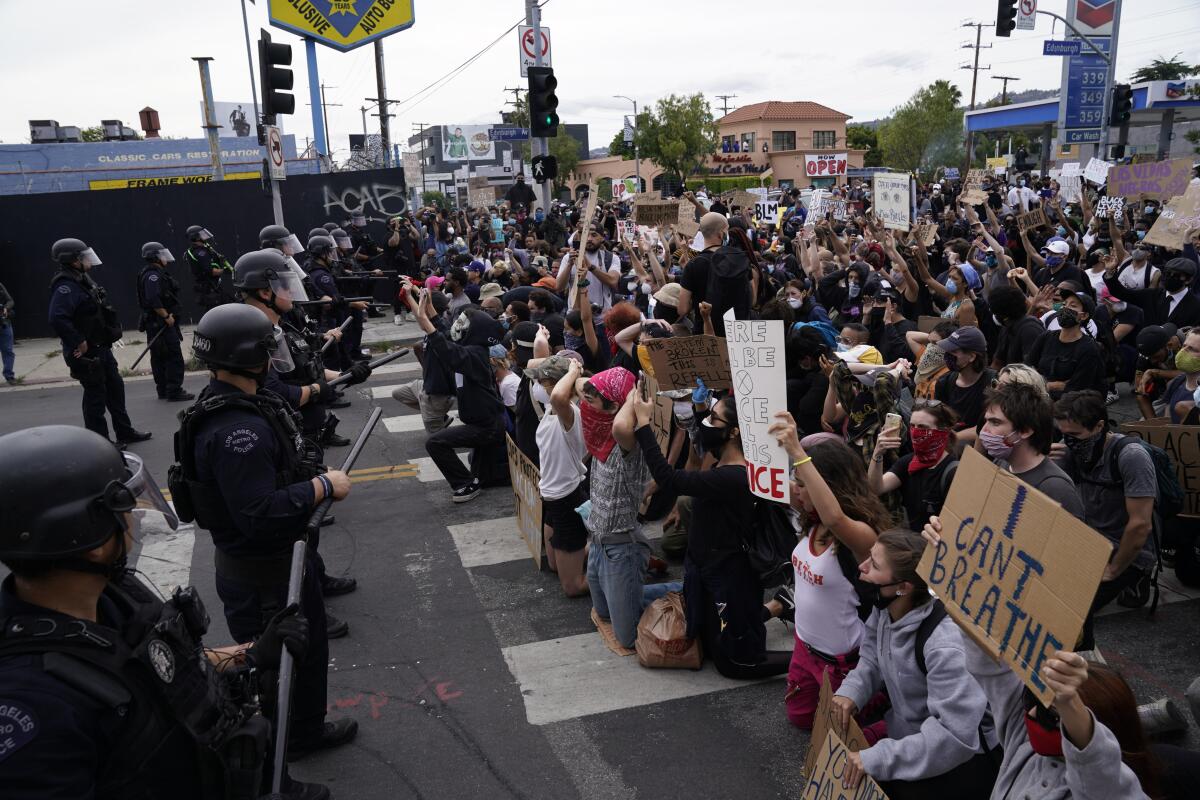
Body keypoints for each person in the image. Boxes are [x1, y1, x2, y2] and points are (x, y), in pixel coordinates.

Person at [0, 425, 326, 800]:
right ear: (89, 537)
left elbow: (155, 666)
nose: (132, 520)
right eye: (123, 510)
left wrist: (249, 653)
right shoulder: (32, 706)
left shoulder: (114, 597)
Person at [174, 303, 357, 760]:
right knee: (276, 672)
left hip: (283, 562)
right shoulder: (239, 429)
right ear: (250, 357)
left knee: (308, 655)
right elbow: (256, 510)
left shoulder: (241, 404)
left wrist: (307, 474)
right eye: (266, 351)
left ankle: (305, 733)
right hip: (262, 576)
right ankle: (280, 763)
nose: (272, 359)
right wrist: (320, 487)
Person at [922, 520, 1157, 800]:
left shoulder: (1104, 787)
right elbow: (989, 667)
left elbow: (1105, 782)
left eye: (1052, 714)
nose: (1030, 715)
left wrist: (1068, 702)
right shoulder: (1023, 739)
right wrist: (953, 565)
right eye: (1033, 700)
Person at [832, 530, 998, 799]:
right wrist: (851, 691)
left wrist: (878, 759)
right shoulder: (887, 606)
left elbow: (954, 738)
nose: (861, 567)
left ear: (903, 586)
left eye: (874, 565)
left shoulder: (944, 645)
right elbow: (873, 654)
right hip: (911, 742)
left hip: (959, 760)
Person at [636, 385, 786, 675]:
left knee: (733, 662)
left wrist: (644, 425)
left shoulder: (734, 476)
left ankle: (806, 665)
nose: (708, 424)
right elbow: (702, 438)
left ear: (733, 433)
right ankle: (777, 607)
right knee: (708, 635)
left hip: (729, 574)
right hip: (707, 568)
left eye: (714, 419)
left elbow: (668, 478)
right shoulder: (723, 462)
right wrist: (700, 409)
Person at [769, 415, 883, 730]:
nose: (797, 491)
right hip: (804, 652)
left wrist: (798, 452)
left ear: (828, 487)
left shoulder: (861, 535)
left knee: (841, 732)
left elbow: (835, 517)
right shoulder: (811, 518)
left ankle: (882, 695)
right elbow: (765, 478)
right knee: (801, 719)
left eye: (803, 485)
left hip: (842, 665)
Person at [583, 369, 681, 649]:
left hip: (621, 549)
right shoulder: (602, 433)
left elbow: (620, 427)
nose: (585, 404)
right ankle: (630, 593)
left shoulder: (628, 441)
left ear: (616, 405)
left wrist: (631, 393)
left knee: (626, 637)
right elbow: (574, 388)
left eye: (592, 400)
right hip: (599, 546)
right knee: (603, 613)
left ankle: (684, 589)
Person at [1051, 391, 1157, 648]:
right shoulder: (1074, 450)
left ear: (1099, 426)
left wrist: (1114, 570)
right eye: (1063, 434)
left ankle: (1087, 666)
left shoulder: (1131, 457)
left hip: (1126, 551)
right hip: (1090, 543)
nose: (1068, 442)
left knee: (1071, 610)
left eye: (1074, 435)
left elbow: (1141, 525)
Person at [47, 238, 151, 447]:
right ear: (73, 260)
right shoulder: (65, 286)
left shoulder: (82, 280)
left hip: (101, 347)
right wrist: (78, 341)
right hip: (86, 352)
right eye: (83, 256)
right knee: (96, 396)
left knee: (115, 389)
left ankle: (125, 431)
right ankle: (100, 442)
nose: (88, 260)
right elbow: (57, 317)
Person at [410, 283, 507, 503]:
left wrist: (424, 320)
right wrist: (424, 302)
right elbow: (444, 331)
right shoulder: (468, 346)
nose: (457, 325)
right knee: (485, 476)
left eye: (463, 324)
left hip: (486, 427)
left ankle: (465, 484)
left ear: (473, 332)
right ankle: (478, 479)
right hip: (482, 422)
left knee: (435, 443)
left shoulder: (474, 354)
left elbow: (445, 347)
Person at [525, 355, 590, 597]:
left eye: (543, 382)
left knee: (572, 587)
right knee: (552, 565)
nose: (538, 387)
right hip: (552, 498)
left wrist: (573, 370)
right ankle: (599, 549)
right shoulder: (552, 410)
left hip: (566, 500)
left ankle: (615, 568)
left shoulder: (569, 413)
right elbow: (530, 366)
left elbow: (558, 396)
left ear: (557, 384)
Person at [979, 382, 1085, 516]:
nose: (984, 430)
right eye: (986, 421)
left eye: (995, 422)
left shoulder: (1056, 489)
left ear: (1025, 430)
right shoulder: (1001, 463)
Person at [870, 400, 960, 532]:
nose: (916, 432)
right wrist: (877, 453)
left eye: (923, 427)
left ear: (943, 431)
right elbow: (876, 488)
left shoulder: (953, 472)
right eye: (912, 426)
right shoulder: (909, 462)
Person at [136, 241, 193, 402]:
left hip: (156, 323)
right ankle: (174, 390)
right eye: (161, 255)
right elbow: (153, 299)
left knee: (159, 357)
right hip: (160, 323)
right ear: (155, 257)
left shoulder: (154, 272)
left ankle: (163, 390)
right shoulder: (152, 275)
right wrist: (166, 316)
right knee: (172, 356)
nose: (165, 258)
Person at [1025, 290, 1107, 399]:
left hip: (1067, 406)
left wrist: (1042, 384)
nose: (1065, 308)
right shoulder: (1046, 337)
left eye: (1072, 306)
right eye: (1064, 304)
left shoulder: (1089, 348)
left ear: (1083, 316)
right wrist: (1054, 385)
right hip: (1038, 398)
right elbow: (1028, 366)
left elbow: (1078, 387)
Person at [933, 325, 995, 445]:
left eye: (954, 351)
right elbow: (939, 420)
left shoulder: (993, 383)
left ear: (972, 356)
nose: (948, 355)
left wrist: (954, 437)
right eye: (947, 351)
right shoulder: (944, 382)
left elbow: (992, 425)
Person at [555, 228, 621, 314]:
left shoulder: (611, 258)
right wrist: (569, 265)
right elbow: (559, 287)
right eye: (586, 235)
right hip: (575, 318)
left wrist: (590, 267)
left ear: (602, 238)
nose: (589, 239)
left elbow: (613, 281)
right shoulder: (568, 257)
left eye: (594, 235)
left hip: (602, 319)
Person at [184, 224, 233, 313]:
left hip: (213, 288)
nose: (205, 236)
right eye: (201, 234)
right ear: (196, 237)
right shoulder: (200, 252)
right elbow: (210, 271)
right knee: (218, 312)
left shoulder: (205, 249)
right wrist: (225, 271)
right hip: (209, 290)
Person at [0, 279, 15, 384]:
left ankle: (9, 375)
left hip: (4, 323)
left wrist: (6, 308)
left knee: (8, 351)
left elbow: (10, 300)